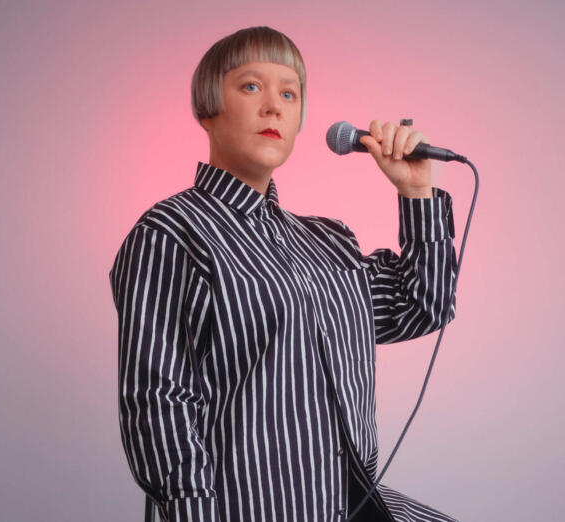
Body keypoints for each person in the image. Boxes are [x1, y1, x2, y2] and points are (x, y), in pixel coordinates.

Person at [109, 26, 458, 522]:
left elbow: (423, 305)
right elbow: (158, 401)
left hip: (346, 503)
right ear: (208, 109)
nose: (274, 106)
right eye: (251, 86)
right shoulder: (170, 233)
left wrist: (416, 193)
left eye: (289, 94)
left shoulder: (328, 240)